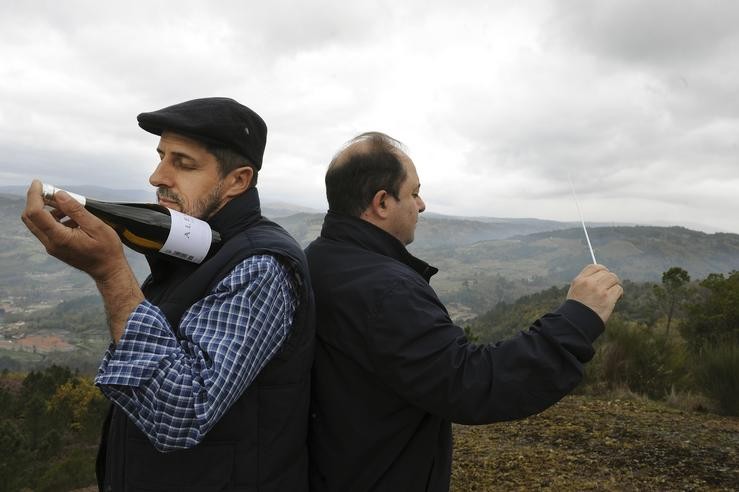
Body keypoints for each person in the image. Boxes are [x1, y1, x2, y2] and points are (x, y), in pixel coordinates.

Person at [21, 97, 315, 491]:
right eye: (160, 156)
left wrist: (111, 274)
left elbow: (179, 413)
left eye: (183, 163)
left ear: (238, 180)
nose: (157, 176)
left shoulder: (259, 266)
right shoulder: (199, 245)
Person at [305, 132, 623, 492]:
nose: (421, 205)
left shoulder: (317, 258)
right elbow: (472, 383)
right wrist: (578, 318)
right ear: (381, 202)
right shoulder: (388, 291)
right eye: (413, 193)